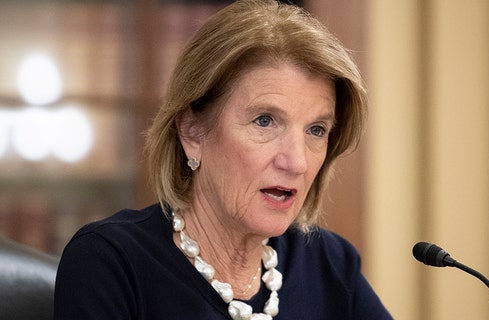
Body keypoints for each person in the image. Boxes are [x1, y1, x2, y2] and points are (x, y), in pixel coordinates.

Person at [54, 0, 392, 319]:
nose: (297, 162)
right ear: (192, 133)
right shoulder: (110, 262)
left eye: (316, 129)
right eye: (265, 121)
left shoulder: (330, 263)